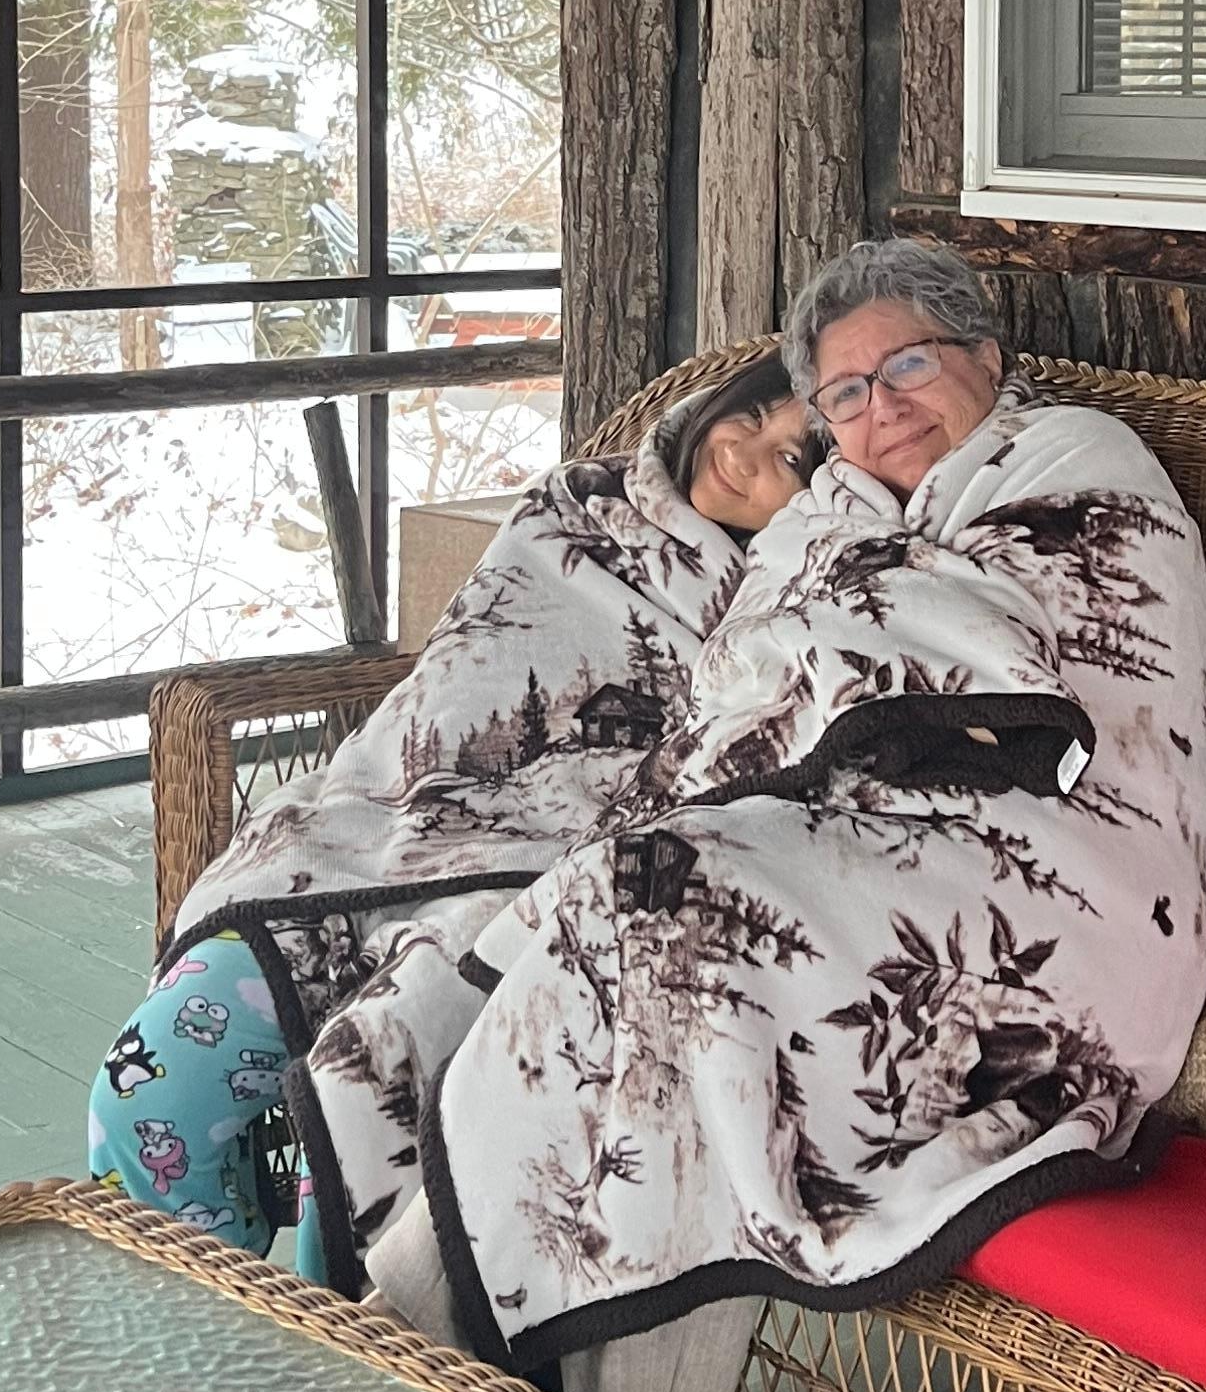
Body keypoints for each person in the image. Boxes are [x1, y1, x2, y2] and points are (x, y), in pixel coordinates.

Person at [360, 237, 1206, 1392]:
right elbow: (741, 677)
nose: (885, 408)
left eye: (910, 365)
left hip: (1070, 881)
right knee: (626, 936)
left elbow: (1004, 667)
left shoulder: (1076, 455)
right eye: (847, 394)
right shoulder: (829, 512)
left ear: (985, 359)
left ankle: (468, 1366)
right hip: (853, 848)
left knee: (671, 926)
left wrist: (851, 608)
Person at [89, 350, 812, 1271]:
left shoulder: (803, 606)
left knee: (351, 1126)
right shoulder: (575, 509)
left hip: (540, 888)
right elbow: (457, 675)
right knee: (146, 1097)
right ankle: (191, 1329)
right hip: (364, 834)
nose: (744, 452)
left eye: (791, 458)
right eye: (753, 414)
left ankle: (334, 1348)